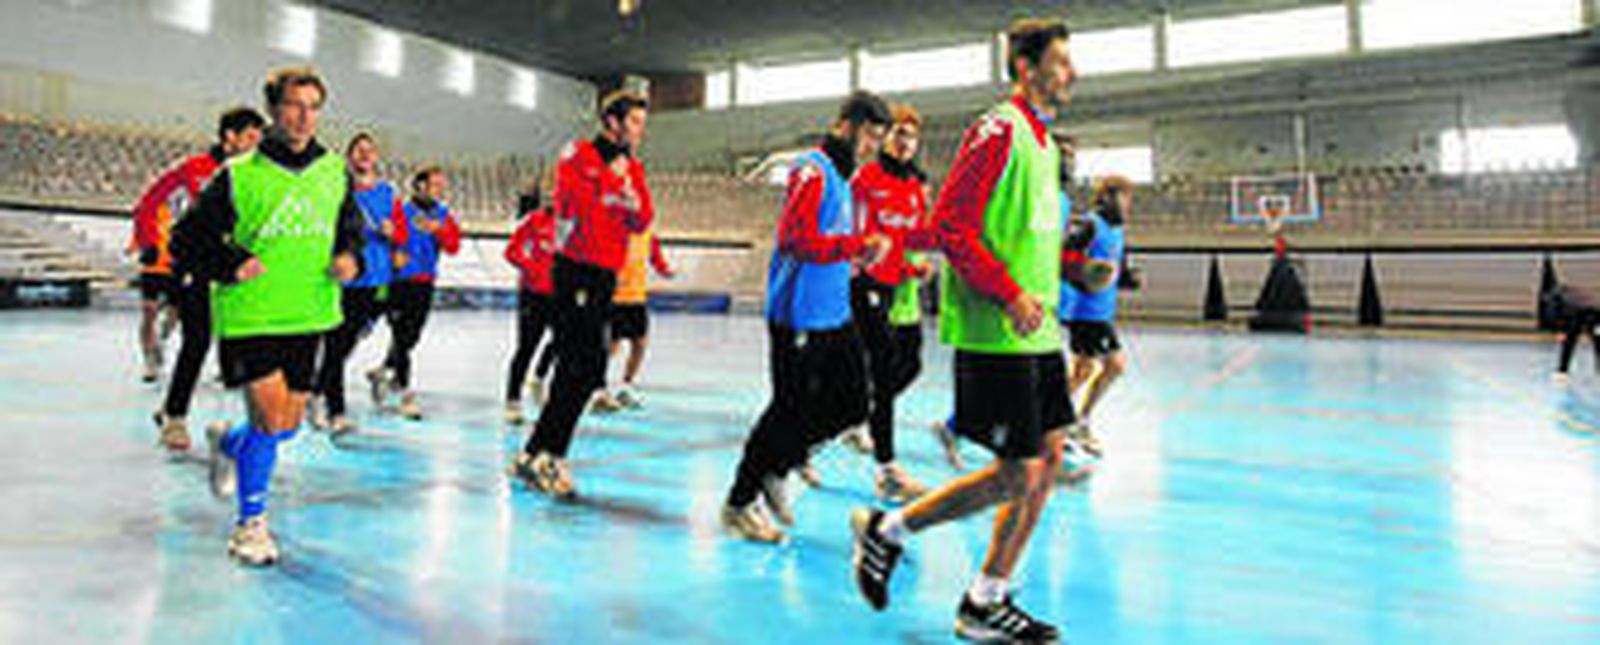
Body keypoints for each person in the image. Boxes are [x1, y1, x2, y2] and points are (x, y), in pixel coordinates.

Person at [850, 18, 1077, 642]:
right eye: (1059, 63)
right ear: (1026, 70)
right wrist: (1006, 294)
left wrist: (1076, 272)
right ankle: (887, 530)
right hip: (996, 330)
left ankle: (986, 598)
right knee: (1016, 473)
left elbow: (1026, 235)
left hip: (1039, 333)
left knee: (1048, 461)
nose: (1071, 73)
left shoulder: (1046, 144)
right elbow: (952, 224)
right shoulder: (996, 129)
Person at [172, 66, 364, 566]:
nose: (304, 117)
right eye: (294, 105)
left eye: (313, 106)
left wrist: (349, 257)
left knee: (288, 425)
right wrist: (230, 262)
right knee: (270, 416)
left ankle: (229, 442)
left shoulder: (334, 171)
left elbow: (350, 229)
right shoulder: (237, 175)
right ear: (274, 110)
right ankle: (250, 525)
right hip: (252, 313)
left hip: (311, 311)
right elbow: (185, 240)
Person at [720, 91, 893, 543]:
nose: (874, 145)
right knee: (787, 407)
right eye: (871, 135)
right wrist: (853, 247)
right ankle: (740, 501)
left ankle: (780, 461)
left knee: (854, 402)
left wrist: (857, 256)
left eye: (880, 137)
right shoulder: (812, 169)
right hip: (797, 313)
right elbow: (797, 239)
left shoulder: (843, 177)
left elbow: (830, 241)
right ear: (847, 125)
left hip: (834, 310)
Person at [509, 90, 656, 498]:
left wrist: (627, 196)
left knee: (582, 366)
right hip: (575, 271)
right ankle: (551, 456)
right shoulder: (578, 154)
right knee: (583, 364)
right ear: (612, 121)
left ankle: (535, 452)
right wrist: (618, 188)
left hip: (605, 276)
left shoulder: (634, 168)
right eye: (635, 122)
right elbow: (575, 206)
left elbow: (643, 218)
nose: (641, 131)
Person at [141, 107, 264, 450]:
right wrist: (150, 243)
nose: (256, 145)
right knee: (196, 341)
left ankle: (233, 427)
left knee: (236, 347)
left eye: (259, 139)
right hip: (193, 265)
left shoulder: (254, 177)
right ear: (230, 137)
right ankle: (175, 417)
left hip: (231, 271)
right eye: (250, 137)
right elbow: (150, 202)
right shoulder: (195, 169)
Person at [847, 102, 938, 502]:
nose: (905, 142)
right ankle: (888, 470)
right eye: (898, 133)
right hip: (868, 282)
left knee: (910, 364)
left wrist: (920, 266)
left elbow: (914, 235)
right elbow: (863, 235)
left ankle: (853, 416)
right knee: (883, 370)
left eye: (911, 135)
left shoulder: (917, 187)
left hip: (901, 287)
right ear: (885, 137)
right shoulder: (866, 178)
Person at [311, 132, 407, 434]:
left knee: (347, 344)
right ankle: (334, 410)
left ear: (376, 157)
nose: (365, 155)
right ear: (349, 156)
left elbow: (402, 236)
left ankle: (316, 392)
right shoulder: (337, 187)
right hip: (345, 275)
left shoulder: (388, 193)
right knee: (336, 344)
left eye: (370, 150)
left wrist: (394, 236)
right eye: (359, 150)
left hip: (375, 278)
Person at [370, 166, 460, 420]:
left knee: (410, 338)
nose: (441, 191)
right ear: (419, 186)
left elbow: (453, 246)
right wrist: (392, 253)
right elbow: (384, 238)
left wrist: (438, 231)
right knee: (401, 337)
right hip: (399, 283)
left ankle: (384, 371)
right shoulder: (400, 210)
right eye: (435, 185)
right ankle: (406, 395)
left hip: (425, 283)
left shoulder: (443, 215)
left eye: (442, 186)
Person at [1060, 175, 1134, 457]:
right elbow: (1066, 256)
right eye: (1122, 196)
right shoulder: (1090, 223)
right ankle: (1075, 421)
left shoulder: (1118, 229)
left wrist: (1127, 277)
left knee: (1084, 371)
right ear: (1108, 197)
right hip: (1086, 311)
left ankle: (1061, 420)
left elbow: (1116, 264)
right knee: (1114, 366)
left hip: (1104, 309)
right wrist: (1085, 278)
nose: (1127, 203)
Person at [592, 216, 674, 412]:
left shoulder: (648, 238)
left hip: (637, 300)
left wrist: (666, 270)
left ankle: (625, 387)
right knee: (611, 348)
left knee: (640, 344)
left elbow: (656, 260)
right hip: (614, 300)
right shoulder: (612, 235)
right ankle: (598, 390)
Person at [504, 184, 558, 424]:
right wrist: (533, 270)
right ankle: (512, 401)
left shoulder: (574, 225)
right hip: (534, 294)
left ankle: (538, 378)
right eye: (548, 197)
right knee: (526, 347)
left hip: (561, 296)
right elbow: (512, 252)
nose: (552, 200)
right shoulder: (533, 221)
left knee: (563, 343)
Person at [1549, 283, 1600, 382]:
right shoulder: (1562, 299)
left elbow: (1556, 313)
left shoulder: (1563, 299)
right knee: (1569, 341)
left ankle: (1562, 371)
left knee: (1570, 342)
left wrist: (1561, 331)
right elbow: (1558, 313)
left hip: (1587, 314)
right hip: (1577, 314)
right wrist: (1561, 330)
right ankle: (1562, 371)